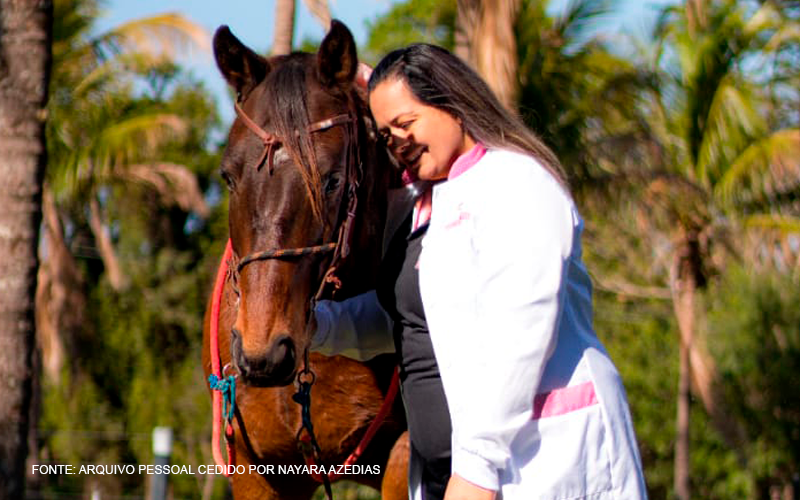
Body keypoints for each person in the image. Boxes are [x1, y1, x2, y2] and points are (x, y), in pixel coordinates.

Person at [313, 43, 647, 500]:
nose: (399, 143)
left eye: (406, 123)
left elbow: (520, 337)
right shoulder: (426, 204)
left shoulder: (516, 183)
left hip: (531, 460)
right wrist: (318, 327)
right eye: (388, 135)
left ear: (451, 101)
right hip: (441, 468)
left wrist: (478, 471)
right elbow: (411, 317)